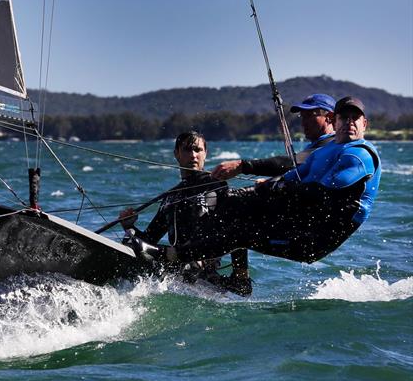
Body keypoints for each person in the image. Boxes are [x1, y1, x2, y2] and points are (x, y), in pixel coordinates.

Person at [142, 96, 381, 266]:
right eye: (345, 117)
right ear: (336, 120)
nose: (350, 122)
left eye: (355, 118)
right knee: (234, 204)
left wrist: (268, 185)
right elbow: (295, 174)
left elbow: (321, 192)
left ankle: (175, 256)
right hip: (301, 221)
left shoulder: (359, 154)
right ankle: (198, 260)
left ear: (364, 124)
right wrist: (266, 186)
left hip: (316, 237)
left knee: (241, 231)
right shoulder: (322, 152)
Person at [119, 131, 252, 295]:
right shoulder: (170, 197)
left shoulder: (216, 186)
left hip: (203, 274)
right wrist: (129, 226)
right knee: (130, 240)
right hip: (174, 268)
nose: (193, 155)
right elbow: (149, 239)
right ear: (177, 154)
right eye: (187, 150)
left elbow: (237, 229)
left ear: (205, 153)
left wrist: (241, 276)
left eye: (198, 150)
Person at [211, 93, 336, 180]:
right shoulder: (316, 145)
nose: (303, 122)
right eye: (302, 117)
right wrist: (272, 182)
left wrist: (242, 166)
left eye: (309, 116)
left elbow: (292, 162)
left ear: (329, 117)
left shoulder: (331, 144)